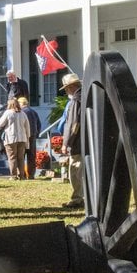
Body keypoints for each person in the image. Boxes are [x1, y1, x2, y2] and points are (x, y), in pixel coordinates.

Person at [60, 73, 83, 208]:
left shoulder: (75, 100)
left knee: (75, 171)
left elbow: (73, 124)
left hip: (78, 142)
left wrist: (66, 143)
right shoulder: (87, 95)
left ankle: (77, 199)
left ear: (72, 86)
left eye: (67, 88)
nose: (66, 91)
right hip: (88, 141)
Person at [0, 98, 30, 180]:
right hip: (22, 138)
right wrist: (27, 137)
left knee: (12, 157)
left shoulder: (8, 113)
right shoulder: (23, 113)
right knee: (21, 158)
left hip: (10, 138)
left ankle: (13, 175)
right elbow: (27, 127)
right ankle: (21, 175)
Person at [18, 97, 41, 179]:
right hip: (33, 135)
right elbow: (39, 124)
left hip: (24, 136)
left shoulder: (21, 112)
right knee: (31, 156)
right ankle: (31, 174)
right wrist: (37, 133)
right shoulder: (33, 111)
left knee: (21, 156)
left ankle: (22, 174)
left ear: (21, 104)